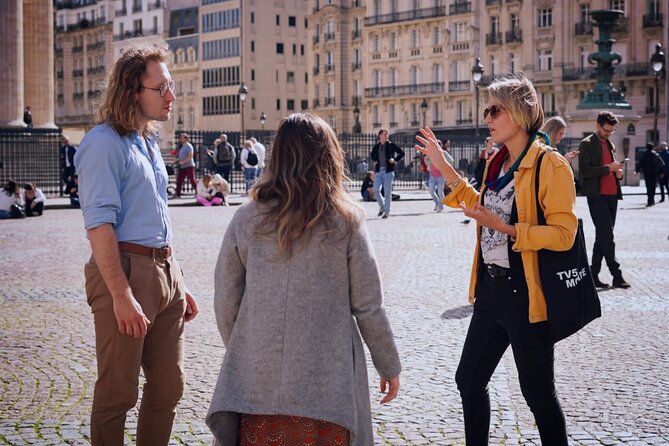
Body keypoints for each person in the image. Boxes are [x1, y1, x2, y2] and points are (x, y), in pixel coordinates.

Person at [207, 112, 401, 446]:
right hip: (328, 382)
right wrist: (388, 363)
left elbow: (225, 297)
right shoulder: (346, 220)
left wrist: (248, 348)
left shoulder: (247, 217)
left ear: (277, 156)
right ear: (328, 157)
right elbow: (369, 306)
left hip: (260, 383)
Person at [416, 74, 576, 445]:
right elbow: (476, 204)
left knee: (537, 395)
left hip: (527, 293)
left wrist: (507, 229)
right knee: (468, 380)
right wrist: (441, 162)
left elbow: (564, 233)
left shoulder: (550, 166)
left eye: (494, 109)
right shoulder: (497, 163)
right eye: (487, 109)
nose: (487, 116)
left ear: (520, 113)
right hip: (491, 290)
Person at [73, 44, 199, 446]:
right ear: (132, 90)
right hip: (124, 272)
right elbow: (99, 225)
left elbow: (154, 215)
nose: (170, 96)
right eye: (160, 87)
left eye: (171, 85)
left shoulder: (147, 142)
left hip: (164, 273)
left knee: (168, 389)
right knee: (117, 393)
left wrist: (176, 278)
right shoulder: (102, 143)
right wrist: (121, 295)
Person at [578, 111, 630, 289]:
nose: (609, 133)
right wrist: (609, 168)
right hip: (597, 196)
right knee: (608, 236)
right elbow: (585, 171)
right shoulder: (587, 144)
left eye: (611, 131)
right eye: (607, 130)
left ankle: (593, 275)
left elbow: (611, 169)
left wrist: (618, 173)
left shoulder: (610, 144)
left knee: (603, 237)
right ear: (598, 126)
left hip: (612, 195)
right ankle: (617, 275)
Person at [370, 128, 405, 218]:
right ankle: (382, 206)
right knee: (375, 189)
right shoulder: (377, 146)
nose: (386, 136)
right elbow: (372, 154)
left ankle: (386, 212)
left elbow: (402, 153)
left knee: (387, 193)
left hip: (388, 172)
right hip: (378, 171)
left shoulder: (391, 145)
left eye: (387, 134)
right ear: (380, 135)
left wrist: (395, 160)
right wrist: (374, 160)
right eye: (384, 134)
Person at [635, 142, 665, 207]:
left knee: (648, 187)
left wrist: (637, 170)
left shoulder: (644, 154)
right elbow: (661, 164)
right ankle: (652, 200)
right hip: (655, 173)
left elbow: (640, 163)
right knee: (653, 187)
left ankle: (649, 201)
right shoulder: (656, 154)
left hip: (647, 173)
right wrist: (661, 172)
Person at [175, 133, 197, 197]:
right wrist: (177, 161)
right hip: (182, 166)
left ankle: (198, 193)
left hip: (189, 166)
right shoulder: (182, 147)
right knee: (179, 180)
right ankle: (178, 194)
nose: (181, 139)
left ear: (186, 139)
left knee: (192, 180)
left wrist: (183, 162)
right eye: (180, 138)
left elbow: (190, 156)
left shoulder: (189, 146)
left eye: (182, 138)